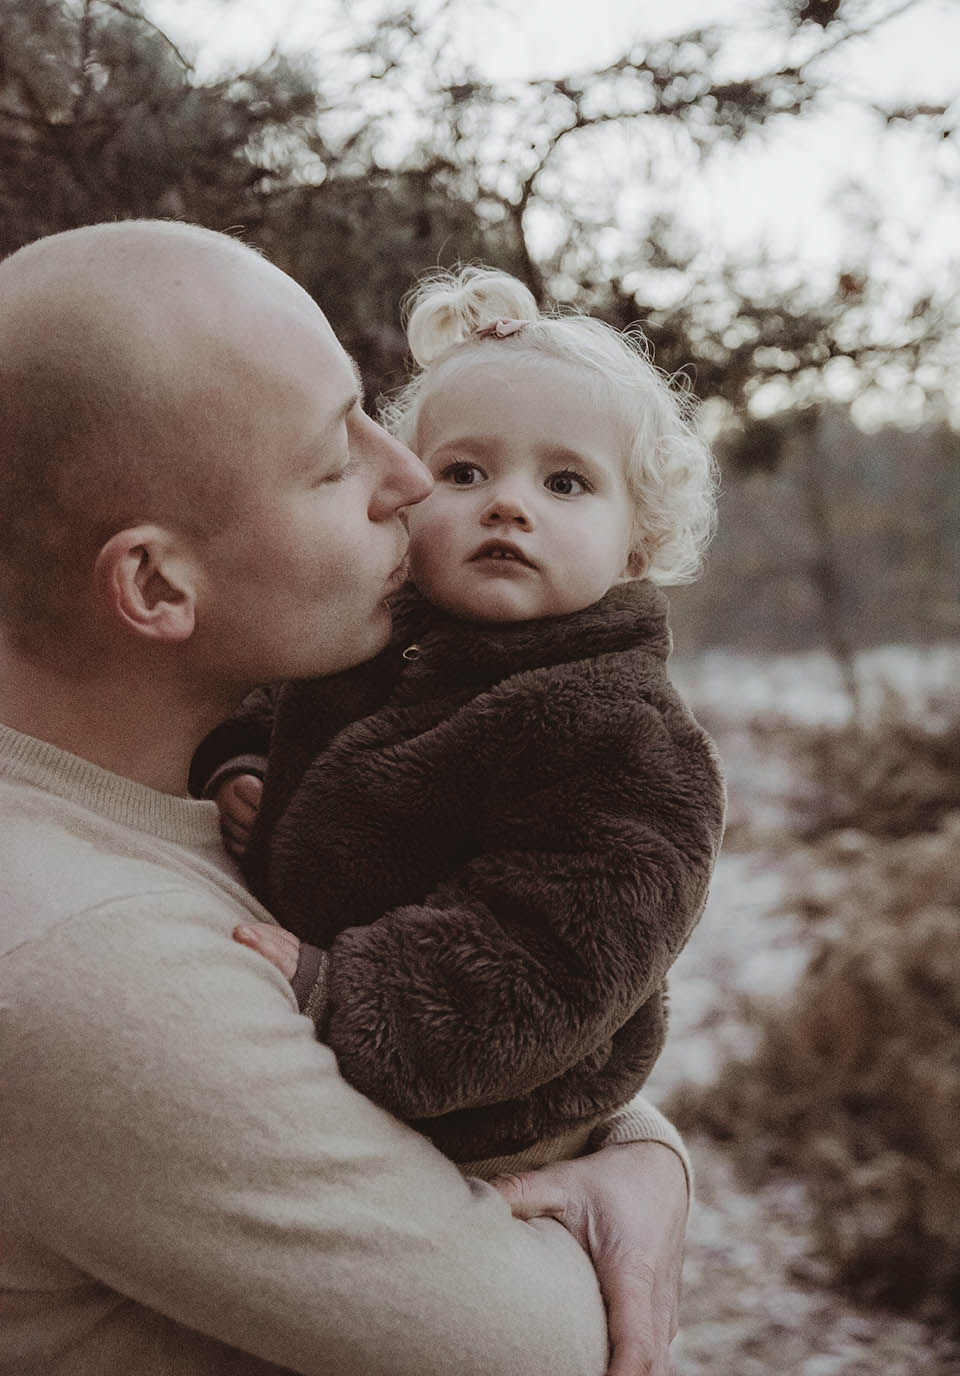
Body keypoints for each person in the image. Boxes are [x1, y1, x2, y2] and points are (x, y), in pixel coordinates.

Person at [0, 220, 692, 1376]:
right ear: (158, 581)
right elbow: (557, 1350)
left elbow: (569, 933)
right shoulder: (92, 964)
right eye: (335, 459)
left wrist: (640, 1144)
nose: (413, 479)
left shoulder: (173, 789)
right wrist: (632, 1172)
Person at [193, 267, 725, 1179]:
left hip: (494, 1123)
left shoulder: (622, 730)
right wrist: (240, 769)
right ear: (407, 494)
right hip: (324, 1056)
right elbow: (261, 705)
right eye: (465, 472)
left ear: (636, 543)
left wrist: (343, 992)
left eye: (565, 483)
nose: (507, 503)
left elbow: (559, 955)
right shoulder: (366, 637)